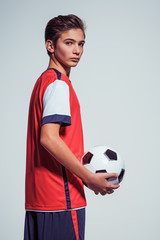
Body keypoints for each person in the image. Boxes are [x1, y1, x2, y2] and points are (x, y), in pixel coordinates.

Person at [24, 14, 119, 240]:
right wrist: (88, 176)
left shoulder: (44, 81)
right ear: (50, 45)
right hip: (61, 199)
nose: (76, 50)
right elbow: (48, 138)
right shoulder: (58, 84)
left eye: (81, 43)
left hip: (39, 199)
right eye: (69, 43)